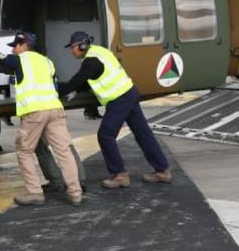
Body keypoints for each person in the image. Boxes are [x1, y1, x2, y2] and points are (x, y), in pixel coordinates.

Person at [0, 33, 83, 206]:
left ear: (24, 45)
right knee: (64, 151)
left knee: (24, 151)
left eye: (15, 46)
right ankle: (75, 193)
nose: (12, 49)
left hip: (35, 112)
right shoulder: (47, 62)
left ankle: (34, 192)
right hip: (55, 109)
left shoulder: (20, 60)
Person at [58, 31, 172, 188]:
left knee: (105, 135)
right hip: (129, 92)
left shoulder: (91, 61)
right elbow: (91, 77)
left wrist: (55, 94)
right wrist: (77, 91)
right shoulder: (100, 51)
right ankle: (162, 170)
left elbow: (77, 80)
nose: (72, 51)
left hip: (120, 98)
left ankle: (120, 175)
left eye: (73, 47)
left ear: (82, 45)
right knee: (142, 132)